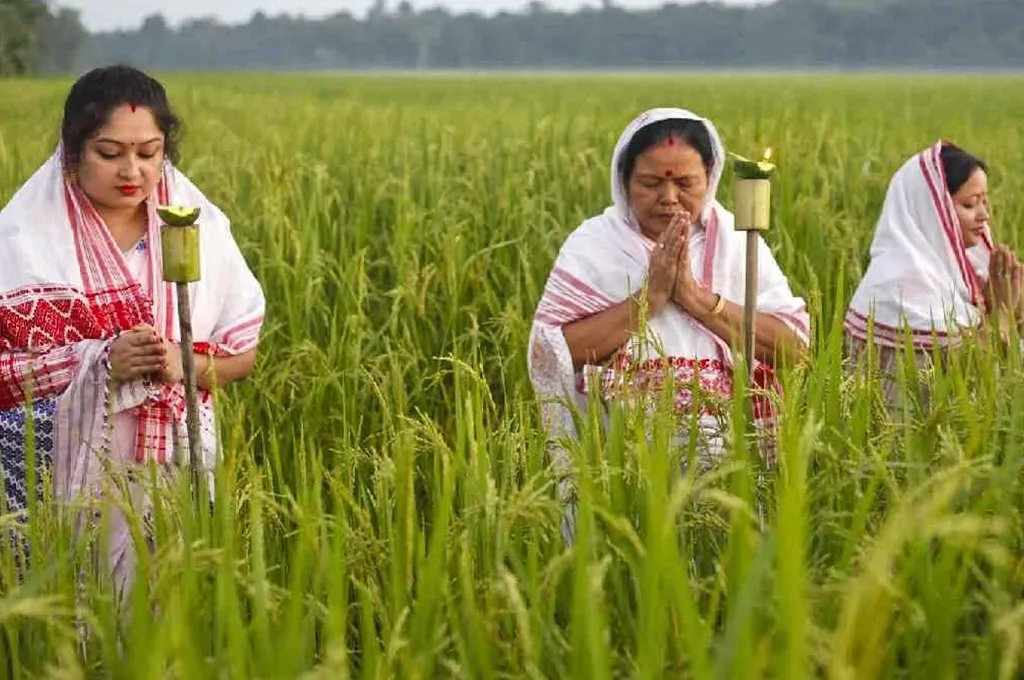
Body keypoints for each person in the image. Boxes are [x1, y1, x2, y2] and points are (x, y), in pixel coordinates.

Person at [0, 65, 265, 592]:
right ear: (72, 153)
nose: (133, 170)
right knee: (57, 615)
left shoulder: (197, 232)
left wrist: (181, 362)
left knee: (156, 617)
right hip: (56, 471)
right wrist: (96, 362)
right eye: (110, 152)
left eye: (149, 152)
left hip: (166, 465)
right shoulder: (21, 239)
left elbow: (242, 357)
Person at [526, 107, 810, 543]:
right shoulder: (596, 245)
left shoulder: (737, 243)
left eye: (685, 183)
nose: (669, 198)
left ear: (710, 178)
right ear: (624, 182)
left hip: (729, 463)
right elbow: (551, 351)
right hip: (621, 462)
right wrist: (649, 299)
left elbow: (794, 350)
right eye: (651, 183)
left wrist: (698, 300)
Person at [844, 141, 1020, 415]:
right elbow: (969, 373)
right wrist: (1003, 312)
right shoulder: (901, 286)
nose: (985, 215)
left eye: (985, 201)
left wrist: (1008, 306)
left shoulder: (958, 275)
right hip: (904, 448)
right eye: (970, 204)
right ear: (931, 211)